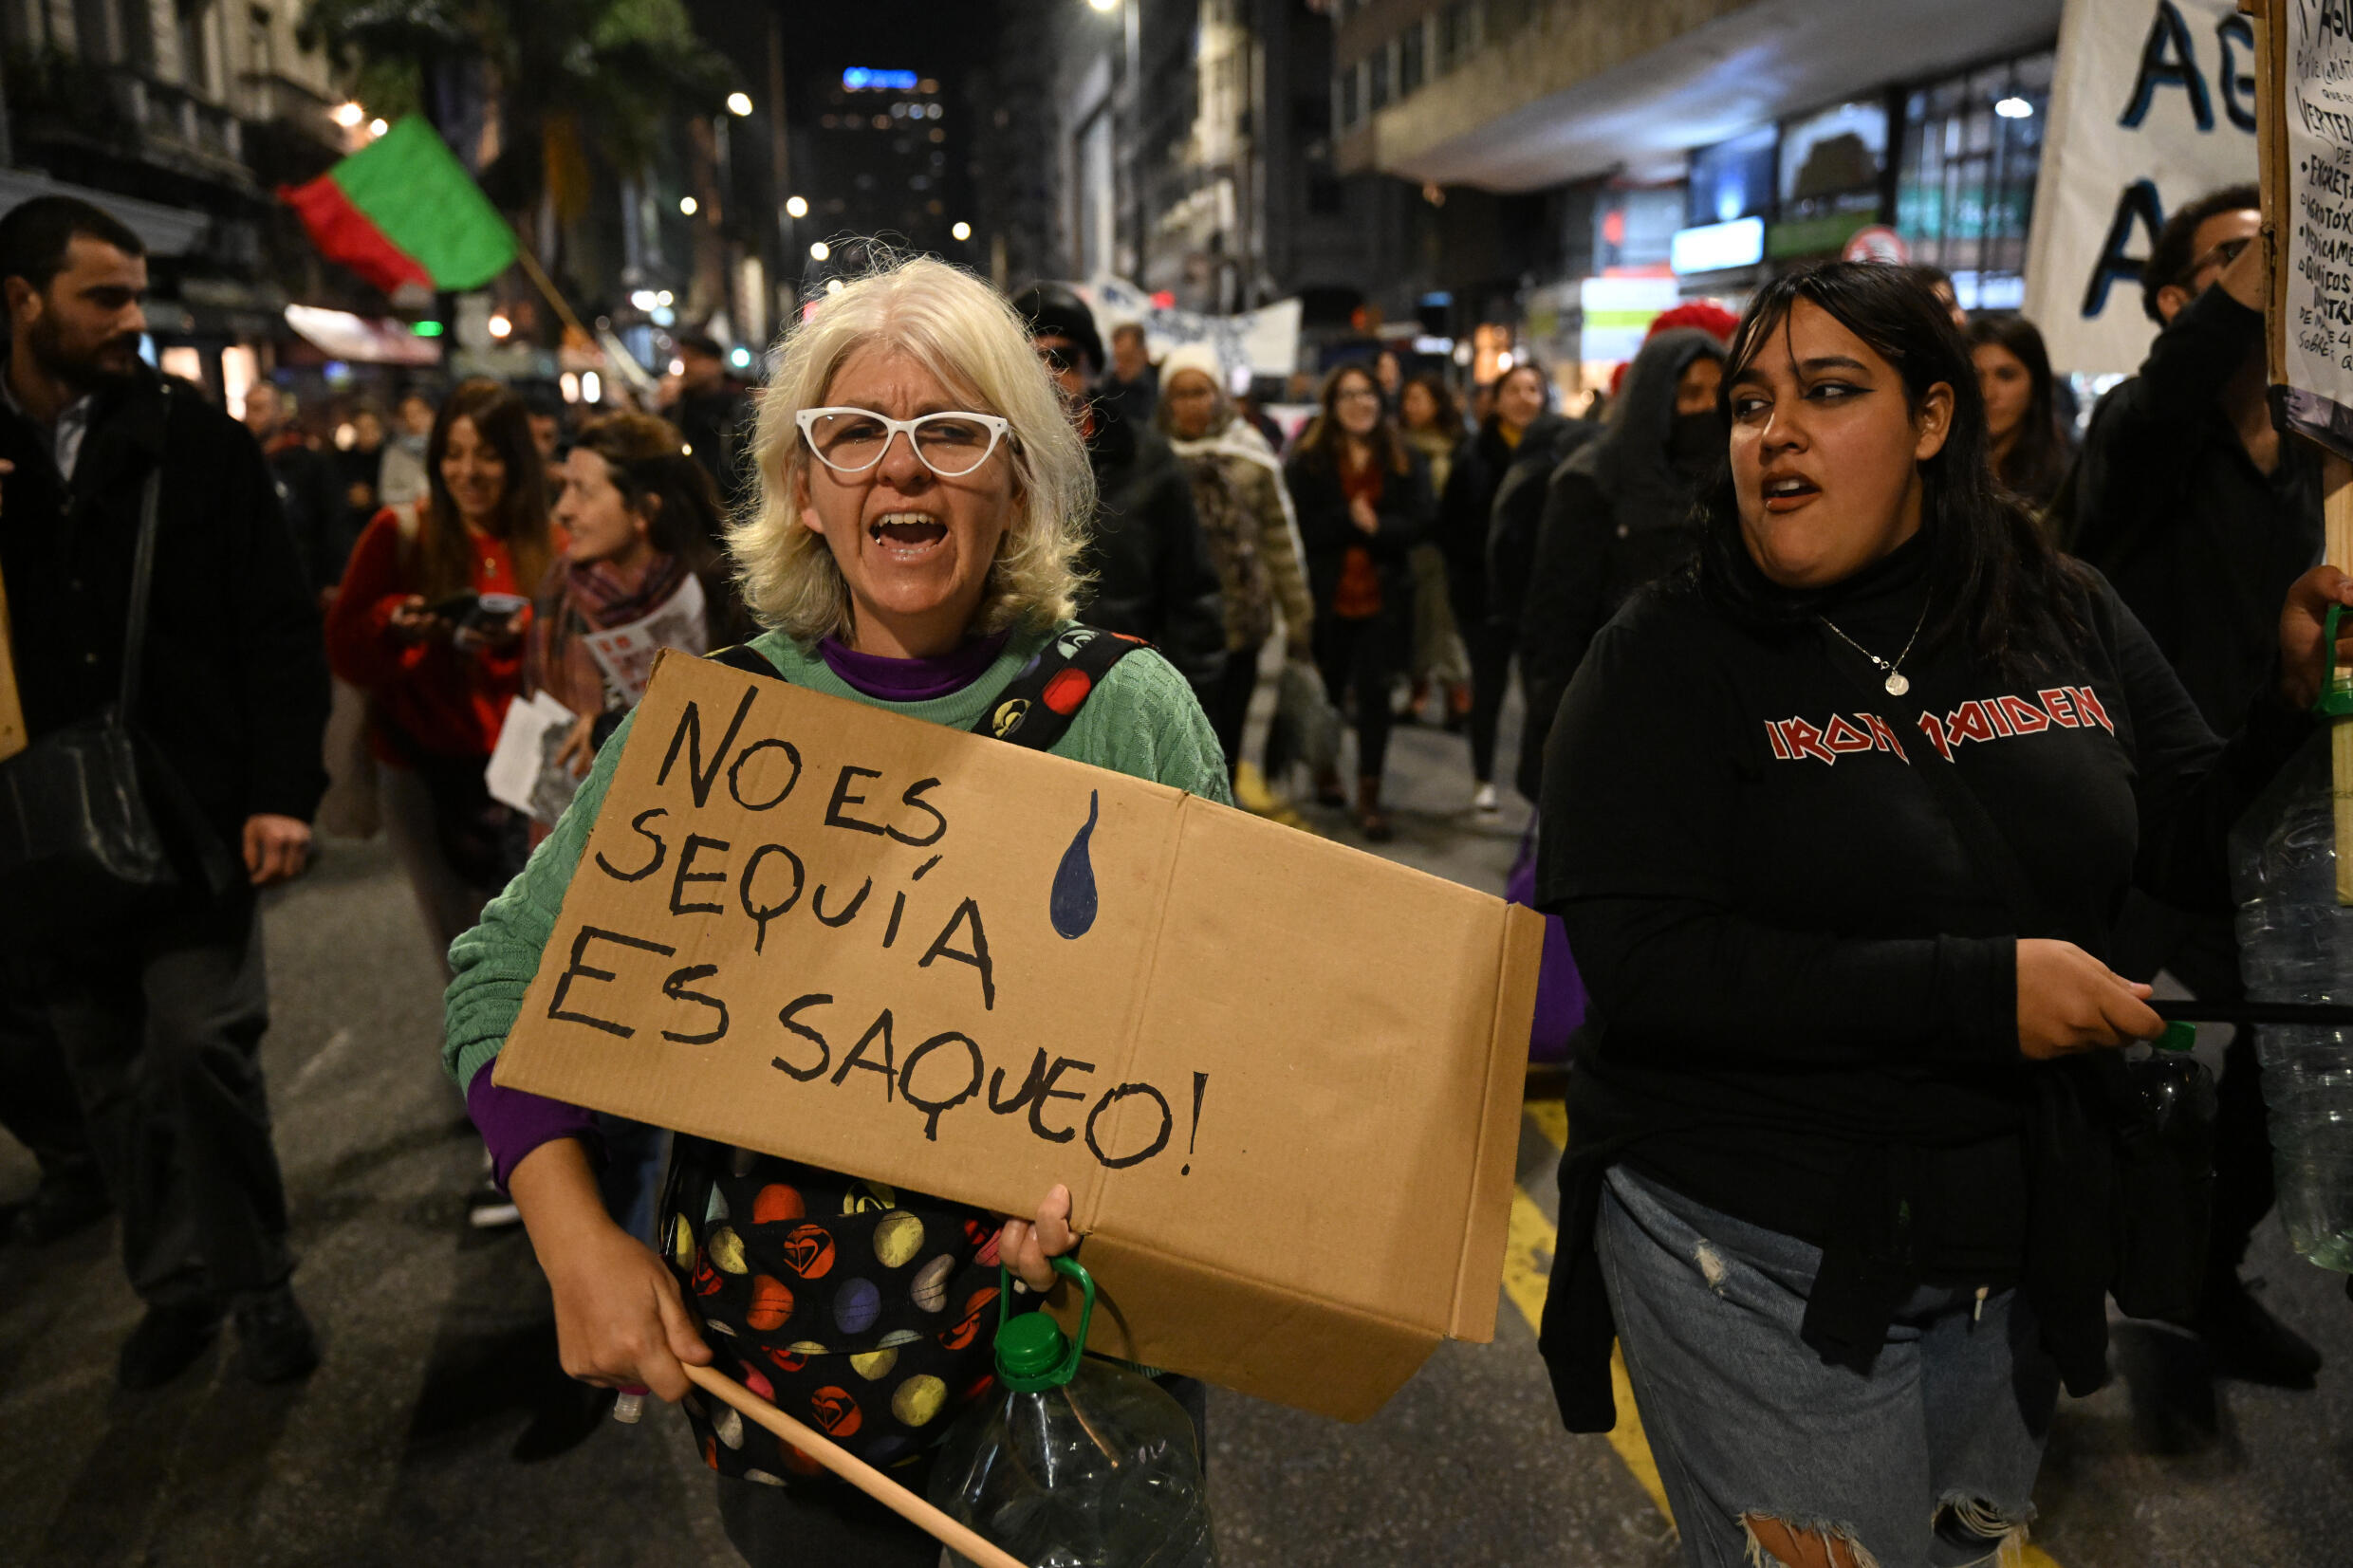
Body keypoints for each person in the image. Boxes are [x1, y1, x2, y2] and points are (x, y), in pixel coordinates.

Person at [1536, 260, 2351, 1568]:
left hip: (2009, 1251)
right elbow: (1647, 965)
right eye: (1751, 404)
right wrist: (1981, 992)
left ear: (1930, 422)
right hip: (1751, 1252)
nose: (1775, 432)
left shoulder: (2061, 605)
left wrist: (2288, 711)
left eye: (1830, 391)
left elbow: (2194, 843)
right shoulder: (1663, 655)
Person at [443, 255, 1227, 1567]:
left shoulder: (1132, 713)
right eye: (854, 434)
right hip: (795, 1407)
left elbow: (1225, 1039)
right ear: (803, 488)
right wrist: (572, 1235)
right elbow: (499, 973)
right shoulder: (711, 729)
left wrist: (1135, 1217)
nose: (900, 470)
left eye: (953, 433)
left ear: (1019, 475)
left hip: (1079, 1383)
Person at [0, 194, 329, 1388]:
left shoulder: (195, 440)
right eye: (105, 297)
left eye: (136, 294)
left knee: (200, 1049)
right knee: (114, 1077)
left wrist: (283, 792)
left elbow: (279, 631)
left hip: (190, 819)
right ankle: (175, 1290)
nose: (131, 319)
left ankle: (260, 1286)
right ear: (21, 301)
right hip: (39, 834)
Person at [2070, 183, 2326, 1387]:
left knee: (2296, 1054)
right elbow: (2180, 386)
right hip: (2138, 826)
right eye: (2236, 258)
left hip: (2272, 815)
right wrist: (2294, 218)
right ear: (2180, 300)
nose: (2273, 274)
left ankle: (2204, 1275)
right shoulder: (2138, 428)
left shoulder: (2319, 466)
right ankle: (2048, 1291)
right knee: (2080, 1063)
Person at [326, 379, 554, 972]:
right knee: (462, 950)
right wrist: (398, 622)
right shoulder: (400, 532)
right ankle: (479, 1062)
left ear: (516, 460)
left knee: (539, 947)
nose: (468, 472)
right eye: (453, 454)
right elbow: (345, 647)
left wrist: (527, 626)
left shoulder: (551, 538)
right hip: (422, 768)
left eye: (488, 454)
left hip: (528, 768)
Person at [1515, 327, 1726, 802]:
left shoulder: (1730, 487)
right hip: (1610, 721)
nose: (1708, 409)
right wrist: (1558, 738)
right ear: (1654, 398)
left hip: (1702, 729)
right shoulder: (1592, 482)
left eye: (1720, 392)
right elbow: (1555, 625)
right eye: (1691, 393)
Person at [1012, 283, 1228, 706]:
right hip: (1015, 706)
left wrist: (1193, 710)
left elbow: (1192, 598)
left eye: (1063, 358)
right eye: (1027, 360)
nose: (1047, 373)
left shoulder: (1148, 461)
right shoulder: (983, 459)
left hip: (1125, 699)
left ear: (1092, 367)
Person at [1287, 362, 1434, 839]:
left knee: (1375, 696)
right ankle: (1325, 771)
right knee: (1327, 689)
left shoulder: (1404, 457)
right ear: (1332, 405)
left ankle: (1370, 793)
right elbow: (1299, 528)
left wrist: (1378, 529)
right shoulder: (1309, 459)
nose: (1359, 403)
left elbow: (1420, 523)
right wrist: (1350, 522)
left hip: (1384, 598)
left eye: (1367, 394)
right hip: (1328, 596)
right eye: (1348, 395)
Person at [1156, 342, 1317, 780]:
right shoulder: (1153, 458)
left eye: (1201, 391)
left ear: (1220, 395)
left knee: (1229, 730)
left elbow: (1280, 539)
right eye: (1181, 394)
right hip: (1176, 628)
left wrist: (1299, 614)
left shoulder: (1251, 451)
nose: (1192, 404)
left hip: (1241, 621)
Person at [1442, 360, 1561, 814]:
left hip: (1539, 598)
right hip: (1485, 600)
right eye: (1514, 389)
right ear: (1496, 400)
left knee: (1541, 698)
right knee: (1487, 692)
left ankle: (1539, 786)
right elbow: (1449, 527)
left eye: (1533, 388)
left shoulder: (1558, 453)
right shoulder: (1472, 456)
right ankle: (1483, 777)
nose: (1524, 398)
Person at [1398, 374, 1472, 731]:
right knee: (1415, 627)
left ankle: (1458, 698)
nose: (1411, 406)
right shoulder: (1395, 445)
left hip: (1441, 551)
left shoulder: (1455, 446)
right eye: (1407, 398)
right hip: (1407, 548)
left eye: (1420, 398)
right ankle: (1418, 695)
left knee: (1443, 625)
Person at [245, 381, 350, 598]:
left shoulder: (311, 464)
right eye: (248, 408)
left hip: (306, 581)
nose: (251, 417)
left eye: (259, 408)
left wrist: (332, 579)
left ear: (281, 414)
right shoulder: (244, 465)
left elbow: (332, 520)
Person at [1968, 314, 2072, 514]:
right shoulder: (1937, 476)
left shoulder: (2061, 485)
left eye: (2006, 376)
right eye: (1976, 376)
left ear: (2036, 386)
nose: (1988, 393)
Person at [672, 332, 752, 514]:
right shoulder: (676, 412)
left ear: (716, 364)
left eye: (694, 359)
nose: (687, 367)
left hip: (732, 515)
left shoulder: (742, 410)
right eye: (683, 359)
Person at [380, 386, 436, 509]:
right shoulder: (395, 452)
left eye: (419, 412)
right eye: (408, 414)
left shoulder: (442, 447)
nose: (414, 419)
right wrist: (415, 495)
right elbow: (386, 494)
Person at [1099, 319, 1158, 427]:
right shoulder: (1108, 388)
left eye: (1128, 359)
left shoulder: (1160, 389)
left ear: (1144, 354)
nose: (1120, 366)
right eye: (1117, 359)